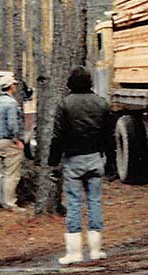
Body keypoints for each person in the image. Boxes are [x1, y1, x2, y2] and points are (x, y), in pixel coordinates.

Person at [49, 65, 115, 264]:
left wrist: (53, 161)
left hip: (73, 160)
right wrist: (110, 162)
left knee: (74, 203)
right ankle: (96, 250)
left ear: (70, 83)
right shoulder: (101, 103)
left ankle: (74, 253)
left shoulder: (65, 105)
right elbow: (108, 137)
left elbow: (58, 136)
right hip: (95, 158)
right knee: (95, 202)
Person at [0, 73, 26, 211]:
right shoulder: (11, 103)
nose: (16, 86)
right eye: (14, 84)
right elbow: (12, 124)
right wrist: (17, 140)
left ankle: (1, 200)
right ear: (11, 86)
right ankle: (10, 202)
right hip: (10, 141)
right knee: (12, 173)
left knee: (1, 171)